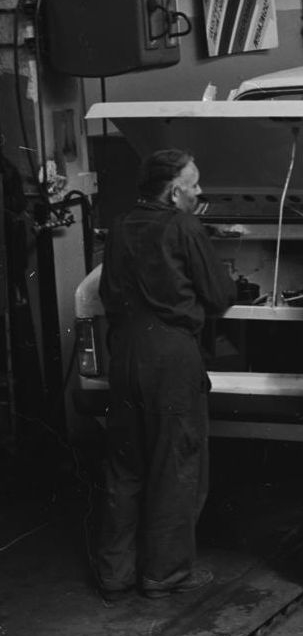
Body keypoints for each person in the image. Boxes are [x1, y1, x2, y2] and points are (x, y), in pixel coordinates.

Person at [92, 149, 235, 601]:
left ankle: (115, 573)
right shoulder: (183, 226)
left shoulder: (120, 224)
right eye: (193, 185)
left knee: (124, 464)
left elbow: (109, 290)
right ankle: (164, 573)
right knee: (175, 463)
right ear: (174, 191)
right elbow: (219, 296)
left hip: (126, 353)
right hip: (171, 355)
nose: (198, 192)